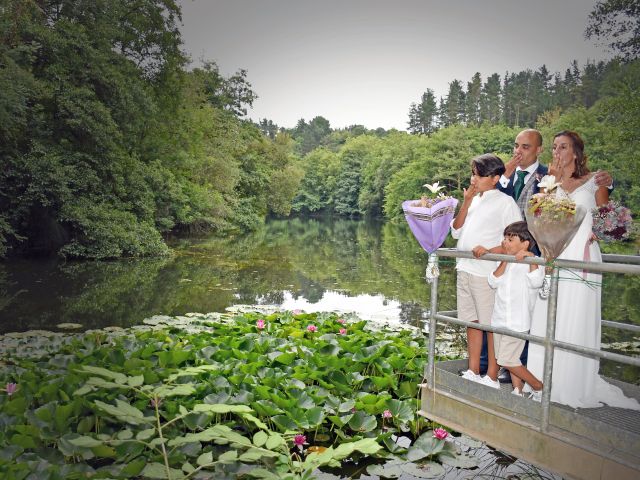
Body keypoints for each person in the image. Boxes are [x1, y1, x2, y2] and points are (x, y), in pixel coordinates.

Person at [525, 130, 639, 410]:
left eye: (563, 147)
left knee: (577, 316)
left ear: (576, 152)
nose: (557, 152)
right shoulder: (547, 182)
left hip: (584, 256)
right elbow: (537, 220)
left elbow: (607, 220)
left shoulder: (594, 182)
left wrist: (601, 232)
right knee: (549, 315)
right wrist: (548, 185)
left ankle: (574, 382)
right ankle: (543, 378)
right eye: (554, 147)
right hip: (555, 256)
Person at [451, 154, 522, 384]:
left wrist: (490, 249)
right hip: (465, 267)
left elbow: (518, 237)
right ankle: (473, 370)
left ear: (495, 178)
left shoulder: (505, 202)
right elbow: (455, 232)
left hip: (485, 272)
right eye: (473, 174)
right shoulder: (474, 199)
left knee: (490, 325)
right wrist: (466, 202)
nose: (474, 179)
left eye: (479, 175)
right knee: (471, 322)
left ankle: (491, 375)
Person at [484, 221, 545, 398]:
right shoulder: (507, 262)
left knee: (506, 359)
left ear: (525, 243)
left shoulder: (532, 262)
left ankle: (538, 386)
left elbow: (536, 282)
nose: (505, 242)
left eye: (510, 239)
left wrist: (530, 260)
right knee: (510, 358)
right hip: (500, 319)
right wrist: (504, 261)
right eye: (504, 238)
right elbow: (493, 281)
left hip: (517, 321)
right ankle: (517, 390)